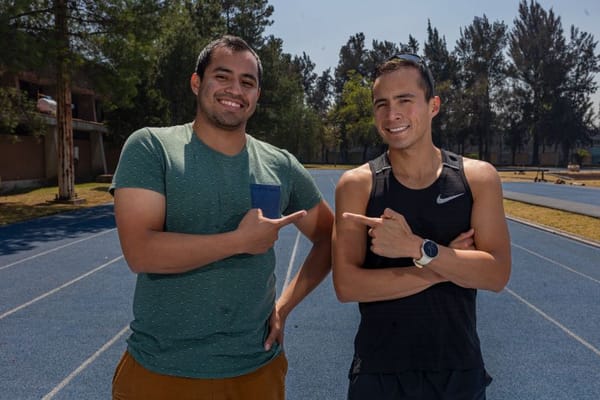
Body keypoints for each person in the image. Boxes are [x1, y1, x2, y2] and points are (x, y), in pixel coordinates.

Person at [110, 35, 334, 400]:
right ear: (197, 82)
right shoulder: (151, 147)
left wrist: (284, 305)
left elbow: (330, 236)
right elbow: (140, 251)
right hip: (162, 372)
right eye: (223, 76)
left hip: (256, 370)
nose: (235, 89)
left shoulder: (280, 164)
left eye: (248, 82)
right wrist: (239, 241)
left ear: (257, 95)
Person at [332, 53, 511, 400]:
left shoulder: (477, 179)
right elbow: (347, 285)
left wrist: (416, 248)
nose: (391, 114)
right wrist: (446, 265)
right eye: (381, 104)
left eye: (405, 100)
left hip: (458, 371)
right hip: (378, 372)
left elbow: (496, 274)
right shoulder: (357, 185)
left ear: (433, 106)